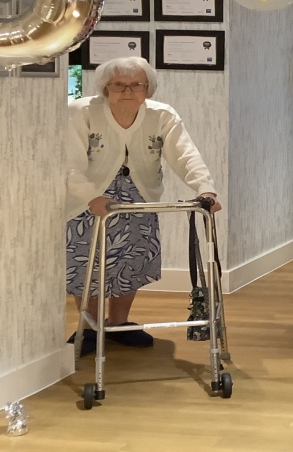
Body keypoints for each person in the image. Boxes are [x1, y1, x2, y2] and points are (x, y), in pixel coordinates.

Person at [65, 57, 221, 356]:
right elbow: (69, 163)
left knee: (131, 260)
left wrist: (205, 189)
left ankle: (119, 323)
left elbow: (185, 155)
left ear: (148, 88)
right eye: (118, 85)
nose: (128, 91)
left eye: (136, 84)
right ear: (105, 87)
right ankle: (90, 327)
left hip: (139, 197)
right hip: (88, 200)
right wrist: (90, 196)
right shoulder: (81, 112)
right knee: (88, 263)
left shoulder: (161, 115)